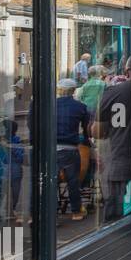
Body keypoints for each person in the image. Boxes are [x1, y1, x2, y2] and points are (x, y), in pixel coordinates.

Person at [95, 59, 131, 221]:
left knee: (117, 220)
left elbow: (96, 131)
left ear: (127, 71)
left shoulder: (114, 92)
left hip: (121, 164)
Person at [55, 78, 91, 221]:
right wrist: (86, 141)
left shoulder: (51, 105)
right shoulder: (80, 107)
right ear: (74, 90)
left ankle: (53, 215)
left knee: (52, 182)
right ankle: (76, 212)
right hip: (70, 149)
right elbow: (87, 129)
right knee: (73, 181)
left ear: (59, 90)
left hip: (52, 148)